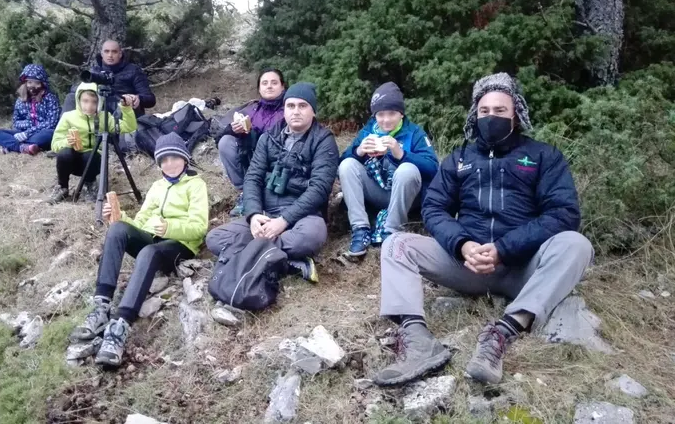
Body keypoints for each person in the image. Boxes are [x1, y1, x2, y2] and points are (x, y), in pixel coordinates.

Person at [375, 73, 593, 387]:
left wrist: (504, 248)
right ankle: (418, 340)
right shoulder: (459, 158)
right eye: (484, 112)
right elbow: (433, 208)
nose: (492, 118)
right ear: (474, 116)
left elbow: (564, 213)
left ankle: (505, 330)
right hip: (467, 264)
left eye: (500, 111)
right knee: (395, 243)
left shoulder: (545, 156)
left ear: (516, 114)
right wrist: (461, 244)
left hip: (522, 266)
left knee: (576, 244)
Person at [70, 133, 209, 367]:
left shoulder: (196, 185)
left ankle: (120, 325)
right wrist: (119, 217)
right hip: (153, 238)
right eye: (164, 160)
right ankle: (101, 306)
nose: (169, 164)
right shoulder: (157, 187)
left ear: (185, 159)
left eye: (174, 157)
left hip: (180, 246)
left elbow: (199, 227)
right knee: (117, 230)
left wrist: (169, 228)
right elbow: (142, 221)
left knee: (149, 253)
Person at [205, 82, 339, 283]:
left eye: (302, 106)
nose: (296, 111)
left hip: (301, 217)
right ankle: (288, 263)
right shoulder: (269, 137)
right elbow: (253, 177)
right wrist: (253, 215)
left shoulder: (323, 141)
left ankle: (249, 255)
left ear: (313, 111)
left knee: (313, 235)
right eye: (290, 106)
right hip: (265, 215)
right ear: (284, 109)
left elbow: (320, 189)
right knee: (214, 239)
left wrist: (284, 221)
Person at [339, 82, 439, 257]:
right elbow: (341, 166)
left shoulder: (414, 133)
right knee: (347, 165)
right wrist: (359, 151)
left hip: (407, 197)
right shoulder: (367, 132)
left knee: (407, 169)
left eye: (392, 114)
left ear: (401, 114)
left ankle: (391, 231)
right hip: (378, 192)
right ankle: (360, 229)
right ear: (374, 115)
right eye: (380, 115)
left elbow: (433, 168)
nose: (386, 120)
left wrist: (400, 153)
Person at [49, 82, 137, 203]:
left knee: (89, 155)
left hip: (94, 162)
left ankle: (89, 185)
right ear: (78, 100)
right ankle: (62, 187)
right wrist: (67, 142)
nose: (89, 106)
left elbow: (129, 127)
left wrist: (126, 109)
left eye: (94, 102)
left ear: (99, 102)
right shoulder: (68, 117)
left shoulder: (104, 117)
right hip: (73, 161)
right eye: (85, 101)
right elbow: (55, 144)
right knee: (64, 153)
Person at [217, 69, 286, 217]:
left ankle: (267, 194)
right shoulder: (251, 109)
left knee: (263, 140)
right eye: (265, 83)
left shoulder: (289, 109)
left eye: (274, 83)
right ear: (259, 88)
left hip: (277, 162)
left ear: (282, 87)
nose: (269, 86)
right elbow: (220, 136)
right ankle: (245, 192)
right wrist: (234, 129)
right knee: (225, 142)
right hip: (250, 159)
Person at [63, 40, 156, 119]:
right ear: (102, 54)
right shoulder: (95, 70)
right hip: (99, 107)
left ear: (120, 54)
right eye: (106, 51)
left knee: (123, 106)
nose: (110, 55)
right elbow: (75, 90)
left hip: (123, 108)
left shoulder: (133, 70)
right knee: (71, 98)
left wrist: (137, 98)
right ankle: (65, 134)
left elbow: (150, 99)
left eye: (114, 52)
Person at [0, 64, 61, 155]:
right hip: (21, 132)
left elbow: (52, 122)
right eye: (30, 82)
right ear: (25, 83)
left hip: (42, 133)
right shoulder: (20, 100)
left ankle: (12, 146)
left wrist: (28, 133)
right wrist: (27, 125)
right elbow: (16, 121)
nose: (32, 86)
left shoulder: (50, 98)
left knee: (47, 135)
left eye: (37, 83)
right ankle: (22, 147)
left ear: (43, 84)